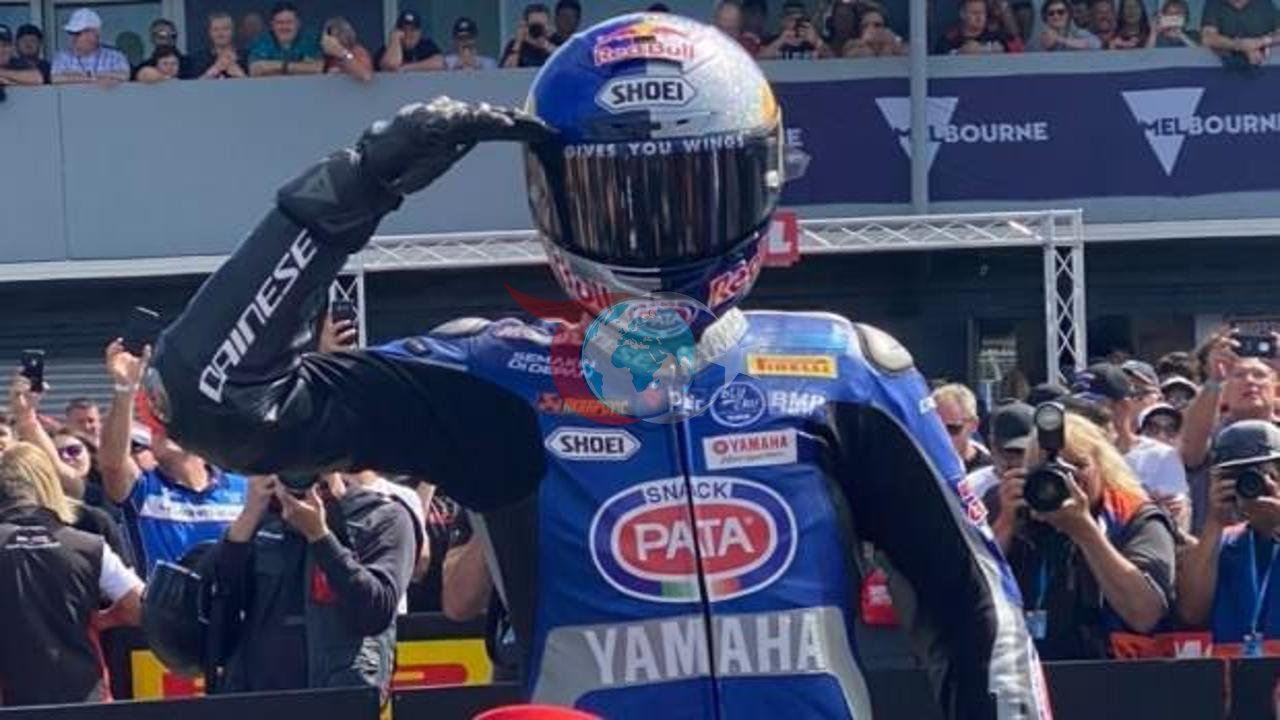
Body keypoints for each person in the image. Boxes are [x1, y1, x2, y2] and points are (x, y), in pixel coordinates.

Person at [146, 13, 1049, 719]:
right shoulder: (494, 381)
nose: (655, 232)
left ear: (760, 181)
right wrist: (352, 189)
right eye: (616, 198)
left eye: (693, 191)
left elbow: (982, 619)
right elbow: (208, 401)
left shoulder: (846, 370)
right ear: (551, 198)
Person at [210, 473, 416, 697]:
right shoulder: (261, 519)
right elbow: (217, 621)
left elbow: (375, 612)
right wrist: (247, 520)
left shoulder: (380, 516)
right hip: (260, 698)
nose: (301, 469)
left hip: (341, 696)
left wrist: (320, 536)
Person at [993, 413, 1177, 660]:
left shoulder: (1133, 517)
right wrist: (1005, 524)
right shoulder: (1013, 511)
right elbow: (969, 598)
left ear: (1102, 466)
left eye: (1077, 466)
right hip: (1027, 667)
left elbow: (1145, 615)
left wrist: (1084, 530)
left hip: (1110, 671)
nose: (1066, 479)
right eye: (1048, 469)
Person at [0, 443, 143, 707]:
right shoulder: (89, 546)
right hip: (82, 698)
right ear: (48, 484)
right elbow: (140, 607)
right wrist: (105, 619)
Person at [99, 339, 247, 576]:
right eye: (155, 428)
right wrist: (125, 388)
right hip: (163, 600)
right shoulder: (144, 490)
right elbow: (112, 463)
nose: (161, 429)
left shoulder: (244, 491)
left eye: (172, 423)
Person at [1177, 421, 1280, 656]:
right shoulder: (1222, 543)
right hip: (1236, 674)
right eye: (1236, 477)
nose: (1251, 484)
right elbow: (1191, 613)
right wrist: (1214, 520)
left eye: (1263, 473)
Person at [1182, 332, 1278, 531]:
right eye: (1239, 375)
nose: (1250, 381)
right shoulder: (1212, 435)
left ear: (1276, 390)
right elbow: (1190, 450)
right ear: (1224, 393)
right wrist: (1214, 379)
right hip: (1218, 541)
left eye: (1260, 375)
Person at [967, 401, 1034, 515]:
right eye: (1009, 452)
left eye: (1023, 452)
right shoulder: (972, 488)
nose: (1017, 461)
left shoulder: (1049, 483)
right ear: (992, 445)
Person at [50, 8, 130, 84]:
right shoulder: (62, 58)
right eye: (71, 33)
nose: (74, 38)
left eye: (78, 33)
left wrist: (75, 76)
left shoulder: (114, 57)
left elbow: (124, 75)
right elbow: (55, 78)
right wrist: (94, 78)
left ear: (95, 34)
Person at [248, 2, 323, 77]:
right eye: (280, 23)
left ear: (298, 23)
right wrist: (301, 67)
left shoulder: (309, 41)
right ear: (272, 25)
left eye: (289, 22)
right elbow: (255, 69)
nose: (284, 27)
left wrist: (279, 67)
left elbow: (318, 68)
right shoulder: (262, 41)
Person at [933, 383, 993, 473]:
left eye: (952, 429)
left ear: (974, 425)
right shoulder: (920, 465)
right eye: (936, 430)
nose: (943, 437)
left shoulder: (991, 472)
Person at [1201, 0, 1279, 65]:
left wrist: (1260, 42)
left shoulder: (1265, 4)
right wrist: (1241, 46)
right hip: (1222, 67)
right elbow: (1208, 37)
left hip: (1265, 66)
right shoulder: (1214, 3)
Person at [759, 0, 833, 58]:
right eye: (791, 19)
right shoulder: (770, 41)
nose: (795, 23)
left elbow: (834, 61)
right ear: (782, 20)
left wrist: (816, 41)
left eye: (799, 20)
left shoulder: (816, 41)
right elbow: (758, 62)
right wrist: (780, 41)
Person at [935, 0, 1016, 53]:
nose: (979, 17)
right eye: (974, 13)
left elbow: (1019, 52)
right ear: (963, 14)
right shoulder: (949, 40)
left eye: (982, 13)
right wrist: (959, 53)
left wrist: (1002, 51)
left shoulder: (996, 36)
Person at [375, 10, 443, 73]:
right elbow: (391, 65)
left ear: (419, 32)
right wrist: (395, 39)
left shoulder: (426, 45)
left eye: (412, 30)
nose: (408, 33)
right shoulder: (388, 49)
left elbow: (439, 63)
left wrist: (405, 68)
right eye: (404, 29)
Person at [189, 12, 247, 80]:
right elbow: (193, 85)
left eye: (225, 29)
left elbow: (254, 85)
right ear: (210, 33)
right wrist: (216, 68)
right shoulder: (199, 58)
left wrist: (238, 73)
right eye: (215, 30)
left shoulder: (246, 56)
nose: (220, 33)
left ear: (233, 32)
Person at [1027, 0, 1103, 50]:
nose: (1056, 16)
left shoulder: (1077, 33)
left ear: (1068, 15)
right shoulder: (1037, 39)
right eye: (1051, 13)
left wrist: (1059, 39)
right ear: (1045, 18)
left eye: (1060, 12)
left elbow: (1096, 45)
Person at [502, 3, 558, 68]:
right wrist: (518, 42)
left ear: (548, 25)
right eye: (534, 25)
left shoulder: (555, 40)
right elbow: (506, 70)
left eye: (541, 25)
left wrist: (546, 45)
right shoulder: (515, 44)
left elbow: (565, 62)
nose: (537, 29)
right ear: (526, 25)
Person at [321, 17, 373, 82]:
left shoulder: (357, 51)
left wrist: (343, 53)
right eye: (332, 36)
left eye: (338, 34)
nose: (334, 39)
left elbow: (366, 75)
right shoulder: (329, 57)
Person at [843, 4, 908, 56]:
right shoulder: (851, 46)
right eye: (865, 26)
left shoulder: (897, 46)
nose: (871, 29)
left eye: (877, 25)